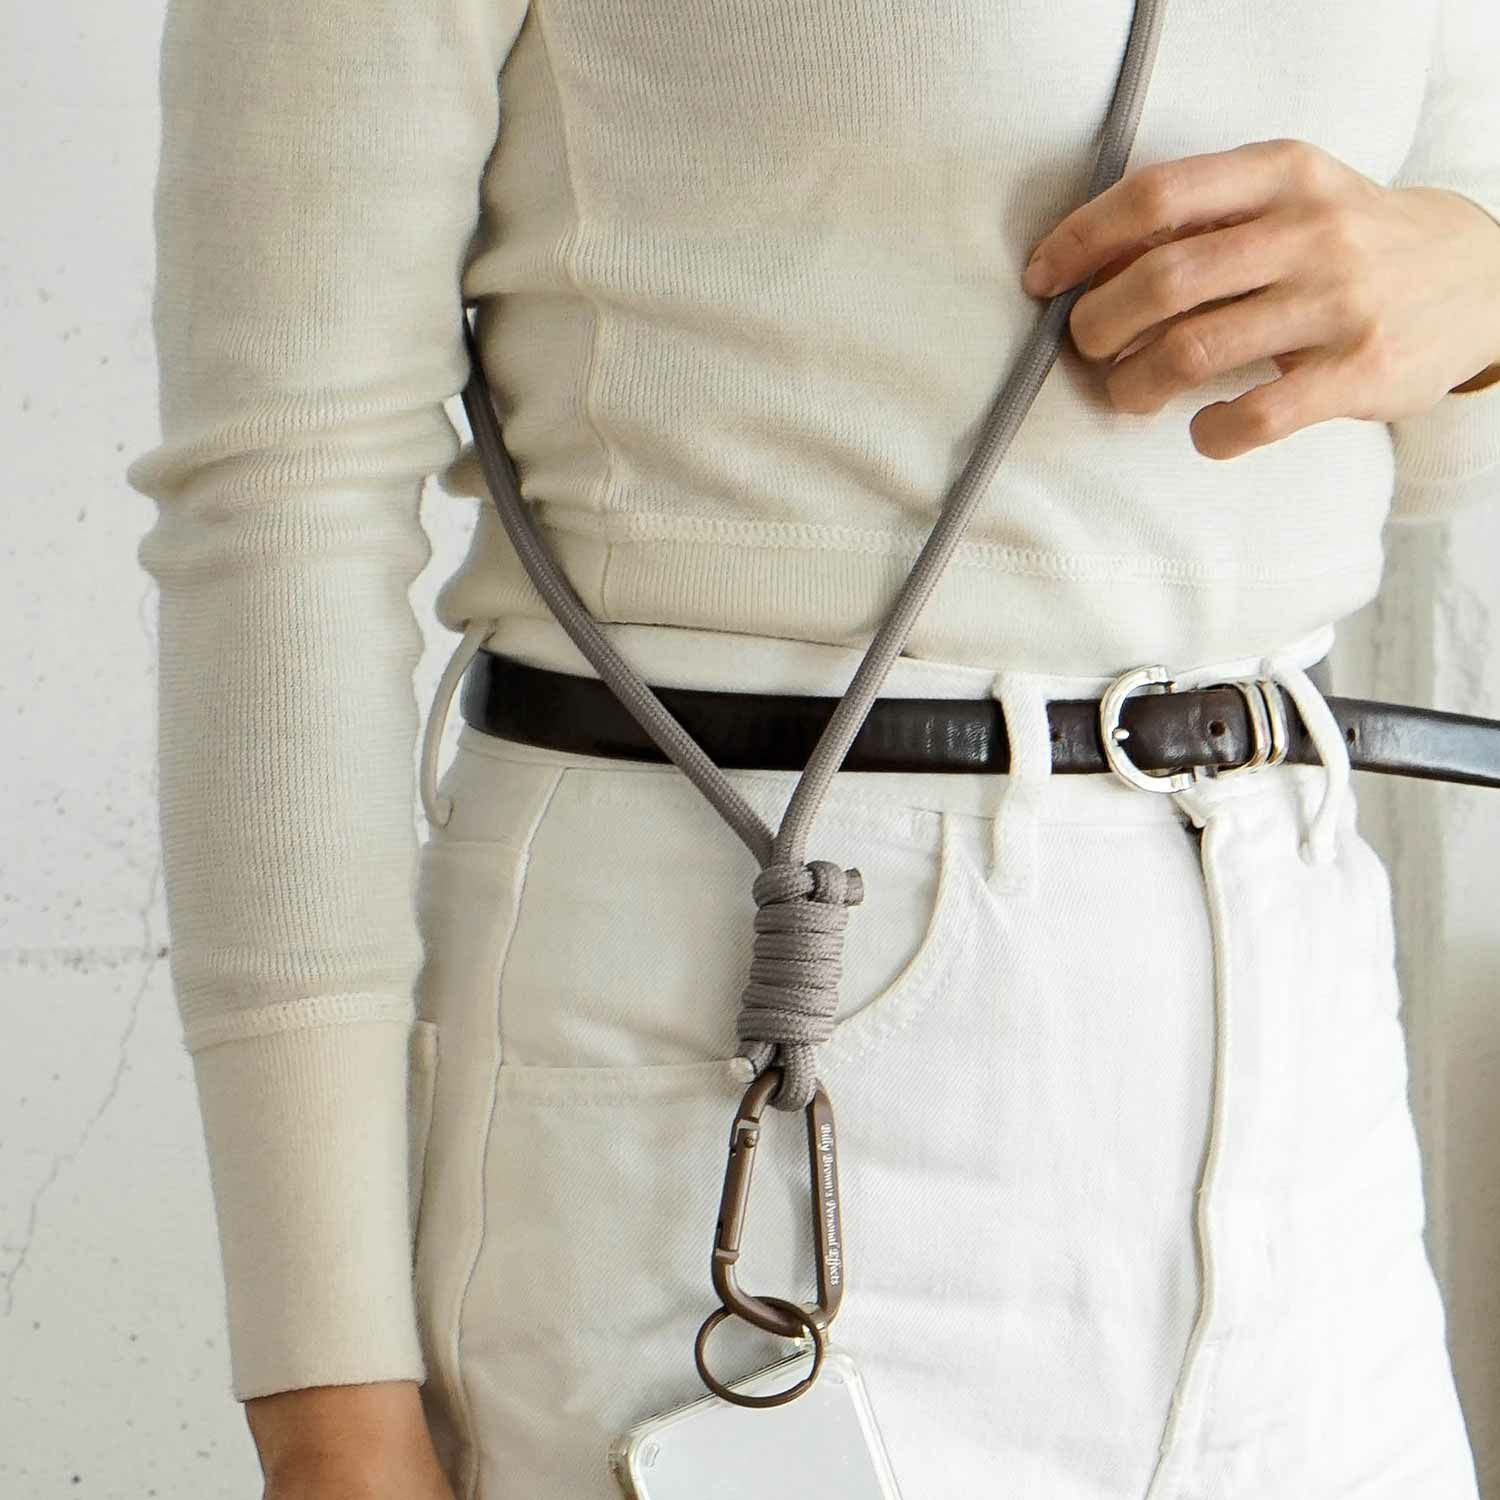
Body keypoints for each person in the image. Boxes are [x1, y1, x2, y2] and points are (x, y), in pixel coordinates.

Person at [124, 1, 1500, 1497]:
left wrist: (1480, 295)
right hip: (742, 1029)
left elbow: (1428, 465)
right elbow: (286, 490)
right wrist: (326, 1400)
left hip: (1301, 1054)